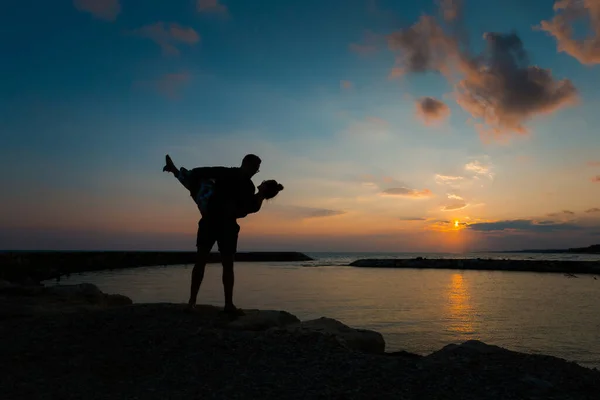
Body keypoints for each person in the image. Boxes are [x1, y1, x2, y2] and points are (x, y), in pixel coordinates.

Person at [163, 154, 284, 315]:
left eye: (257, 169)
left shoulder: (248, 187)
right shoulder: (229, 174)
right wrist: (181, 172)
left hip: (226, 225)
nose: (257, 171)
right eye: (256, 167)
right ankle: (192, 302)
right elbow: (204, 172)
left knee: (226, 265)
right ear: (246, 164)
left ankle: (227, 304)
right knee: (202, 261)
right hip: (211, 221)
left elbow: (244, 209)